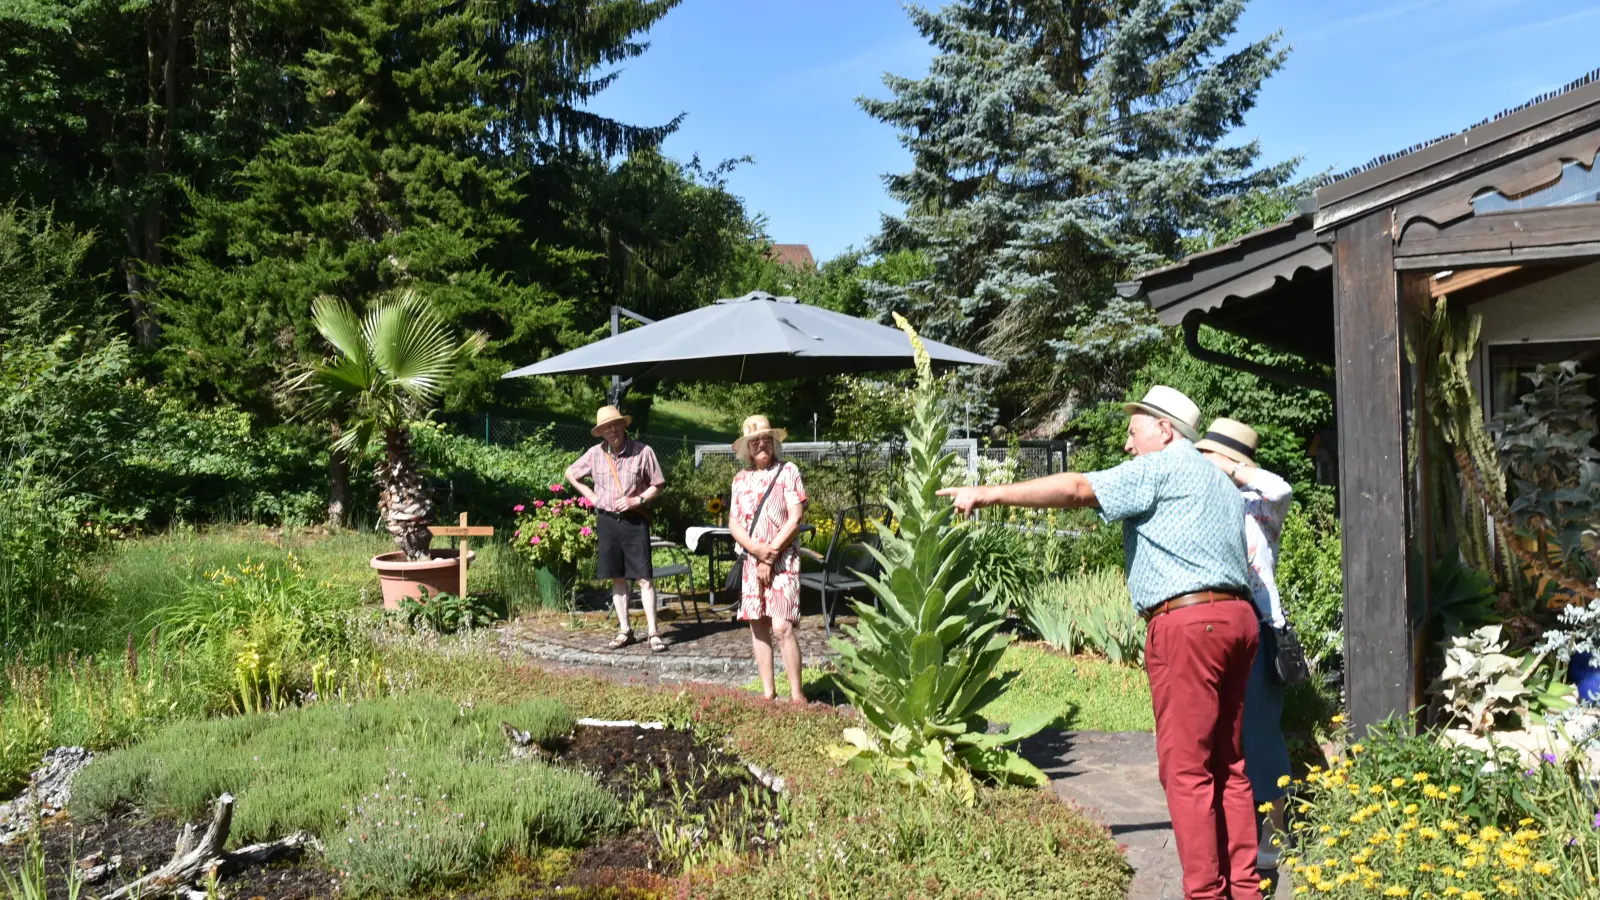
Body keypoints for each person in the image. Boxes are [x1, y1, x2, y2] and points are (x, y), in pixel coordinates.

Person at [939, 386, 1261, 900]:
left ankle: (1206, 893)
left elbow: (1077, 489)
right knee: (1230, 764)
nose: (1128, 446)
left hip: (1188, 626)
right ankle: (1245, 889)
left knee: (1187, 769)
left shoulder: (1164, 467)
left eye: (1134, 432)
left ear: (1165, 429)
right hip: (1238, 620)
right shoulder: (1220, 480)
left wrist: (986, 493)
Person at [1195, 418, 1294, 876]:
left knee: (1259, 732)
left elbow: (1281, 488)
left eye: (1206, 456)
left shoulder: (1259, 505)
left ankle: (1275, 831)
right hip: (1216, 626)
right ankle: (1230, 829)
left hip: (1259, 625)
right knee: (1218, 732)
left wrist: (1231, 470)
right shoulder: (1200, 500)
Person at [565, 405, 667, 652]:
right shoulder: (594, 454)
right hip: (607, 521)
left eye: (615, 425)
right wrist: (592, 496)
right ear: (601, 432)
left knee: (644, 578)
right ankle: (625, 630)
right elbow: (570, 473)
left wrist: (637, 500)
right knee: (617, 578)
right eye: (606, 428)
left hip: (634, 521)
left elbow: (658, 484)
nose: (612, 431)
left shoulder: (643, 452)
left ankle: (653, 632)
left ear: (624, 426)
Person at [727, 415, 808, 703]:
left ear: (774, 442)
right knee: (757, 625)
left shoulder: (788, 471)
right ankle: (768, 694)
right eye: (755, 441)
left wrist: (769, 555)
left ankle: (797, 697)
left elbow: (795, 518)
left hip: (783, 560)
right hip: (751, 561)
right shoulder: (740, 479)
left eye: (766, 439)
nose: (762, 444)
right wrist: (757, 552)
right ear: (747, 448)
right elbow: (734, 523)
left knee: (782, 627)